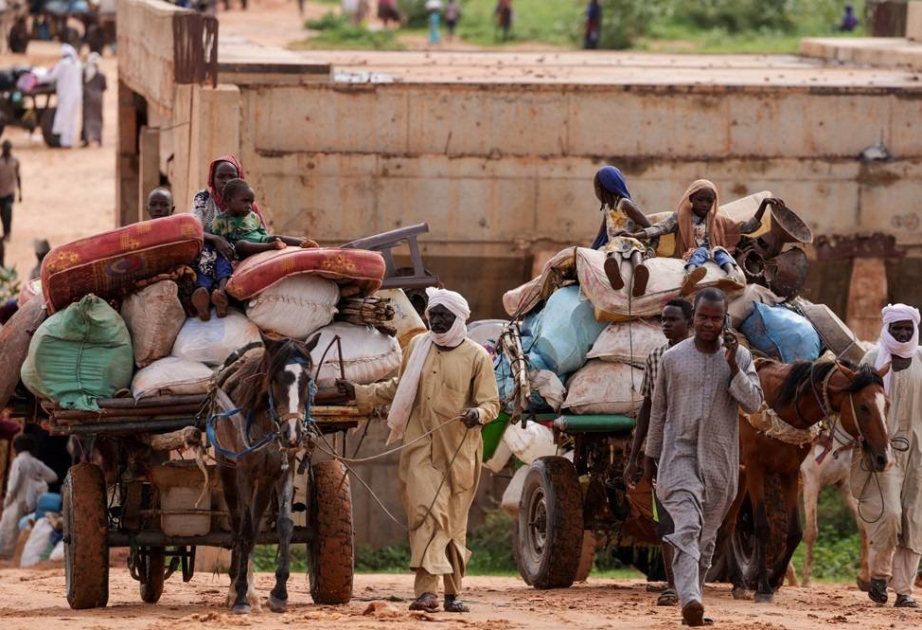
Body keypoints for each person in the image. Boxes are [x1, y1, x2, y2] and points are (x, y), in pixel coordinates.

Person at [337, 288, 500, 613]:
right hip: (420, 446)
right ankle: (426, 593)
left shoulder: (477, 357)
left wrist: (477, 415)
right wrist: (360, 392)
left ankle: (453, 593)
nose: (437, 321)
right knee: (426, 514)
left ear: (459, 319)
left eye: (444, 316)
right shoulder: (417, 346)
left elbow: (491, 403)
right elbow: (399, 387)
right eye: (433, 315)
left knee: (452, 524)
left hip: (460, 452)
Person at [645, 288, 763, 627]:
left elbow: (754, 404)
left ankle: (692, 601)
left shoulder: (739, 357)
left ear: (724, 319)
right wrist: (650, 456)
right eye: (702, 317)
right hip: (677, 457)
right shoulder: (672, 359)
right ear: (692, 317)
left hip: (720, 461)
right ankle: (691, 599)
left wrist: (733, 367)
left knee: (705, 536)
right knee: (687, 526)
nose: (708, 323)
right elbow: (659, 411)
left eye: (715, 318)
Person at [624, 297, 693, 607]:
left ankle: (691, 582)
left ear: (689, 324)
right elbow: (648, 409)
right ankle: (672, 585)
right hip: (663, 448)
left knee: (693, 520)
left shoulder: (705, 356)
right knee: (665, 519)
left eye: (673, 319)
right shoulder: (655, 358)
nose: (666, 324)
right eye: (663, 319)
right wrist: (636, 455)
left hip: (697, 448)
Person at [853, 304, 922, 608]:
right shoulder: (872, 360)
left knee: (915, 520)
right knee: (891, 514)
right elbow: (859, 407)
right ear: (888, 328)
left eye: (908, 327)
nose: (904, 333)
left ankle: (904, 591)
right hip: (884, 451)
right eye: (898, 328)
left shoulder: (921, 358)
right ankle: (879, 575)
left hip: (919, 452)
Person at [632, 181, 783, 295]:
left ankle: (732, 275)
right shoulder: (681, 217)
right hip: (689, 255)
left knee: (720, 251)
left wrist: (763, 205)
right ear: (691, 199)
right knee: (700, 252)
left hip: (712, 255)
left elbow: (749, 227)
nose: (705, 204)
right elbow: (660, 228)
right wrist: (636, 235)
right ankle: (690, 275)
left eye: (709, 201)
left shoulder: (719, 220)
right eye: (700, 200)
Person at [590, 165, 653, 296]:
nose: (595, 193)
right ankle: (615, 274)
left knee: (633, 249)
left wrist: (636, 236)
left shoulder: (625, 204)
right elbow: (601, 234)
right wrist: (589, 250)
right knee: (614, 249)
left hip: (632, 240)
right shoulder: (608, 208)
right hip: (615, 245)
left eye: (595, 188)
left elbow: (648, 225)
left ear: (602, 187)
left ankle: (639, 273)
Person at [191, 155, 266, 262]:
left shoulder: (248, 204)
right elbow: (193, 231)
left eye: (232, 177)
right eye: (221, 177)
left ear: (239, 179)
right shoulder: (203, 199)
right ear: (212, 179)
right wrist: (215, 239)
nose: (226, 181)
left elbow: (263, 234)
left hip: (244, 254)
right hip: (209, 253)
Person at [0, 434, 58, 557]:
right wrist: (37, 481)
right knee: (23, 529)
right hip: (31, 501)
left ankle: (7, 559)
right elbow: (53, 476)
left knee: (9, 530)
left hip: (16, 501)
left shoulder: (18, 461)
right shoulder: (36, 462)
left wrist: (6, 502)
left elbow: (13, 486)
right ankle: (17, 557)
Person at [37, 44, 82, 148]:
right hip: (76, 95)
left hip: (67, 95)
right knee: (72, 118)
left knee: (64, 118)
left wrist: (38, 78)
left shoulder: (63, 64)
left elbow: (51, 76)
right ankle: (69, 141)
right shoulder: (78, 64)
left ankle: (64, 142)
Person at [81, 52, 107, 147]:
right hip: (98, 98)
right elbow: (104, 87)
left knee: (87, 118)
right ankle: (98, 139)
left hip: (87, 98)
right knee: (98, 118)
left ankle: (87, 139)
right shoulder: (101, 75)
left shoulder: (84, 72)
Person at [0, 140, 21, 241]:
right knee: (3, 214)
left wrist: (20, 192)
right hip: (1, 192)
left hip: (10, 191)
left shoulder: (15, 161)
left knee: (8, 212)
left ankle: (8, 233)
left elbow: (18, 176)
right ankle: (5, 232)